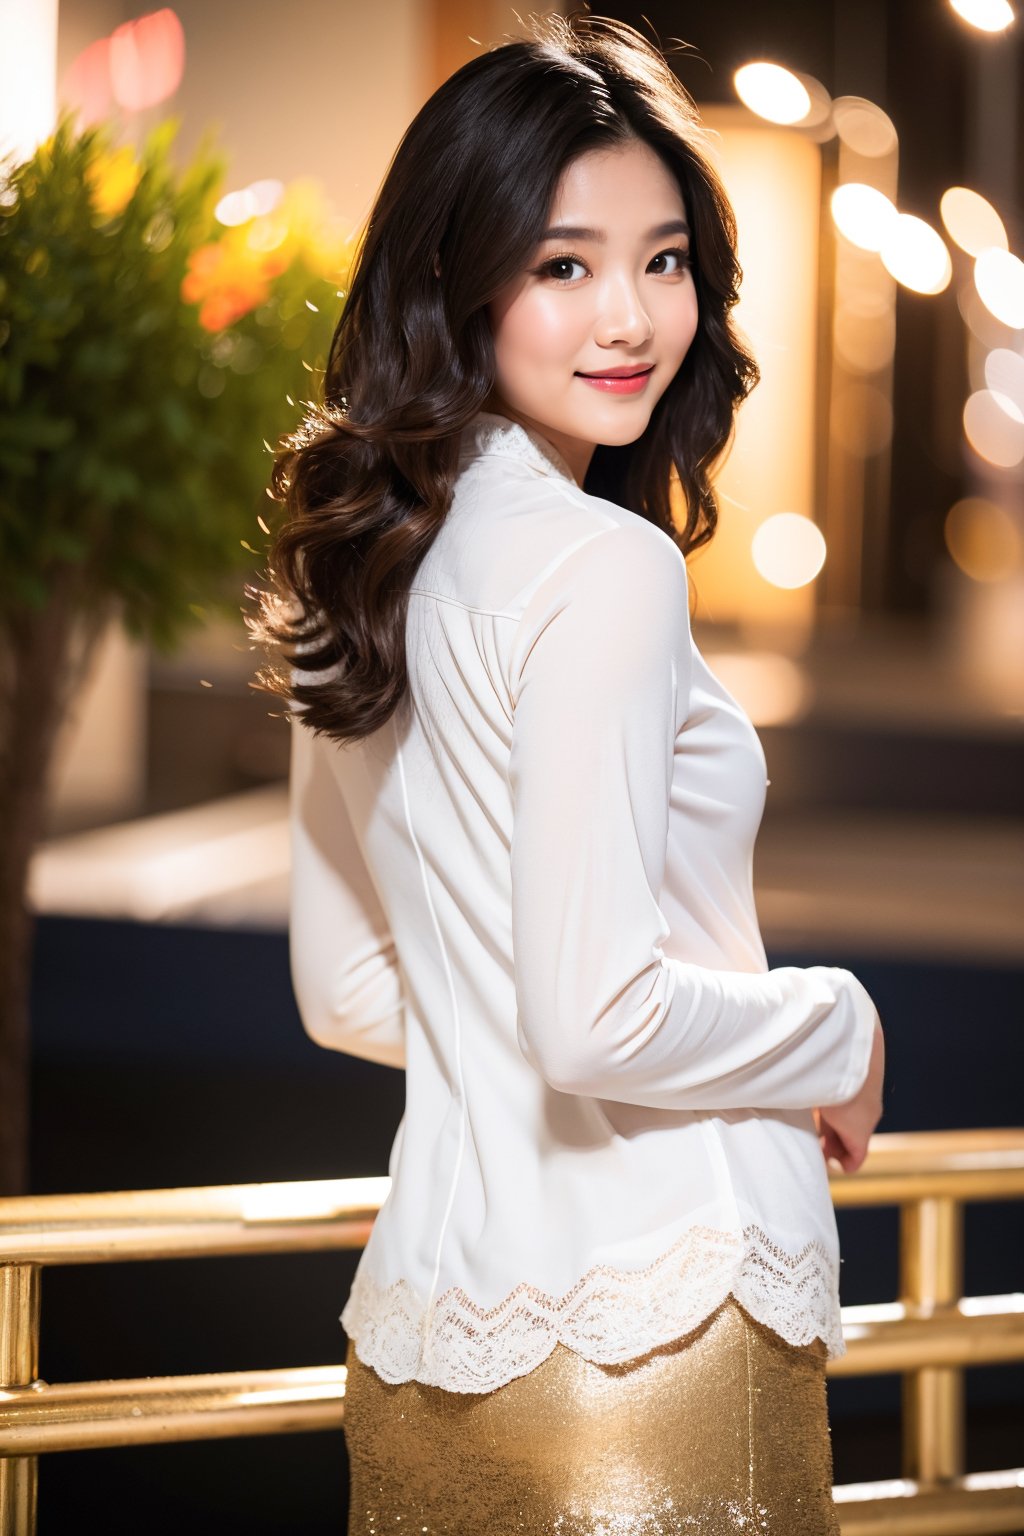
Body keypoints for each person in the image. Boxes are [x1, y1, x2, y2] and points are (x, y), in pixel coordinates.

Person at [253, 11, 886, 1532]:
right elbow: (596, 1015)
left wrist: (505, 1031)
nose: (631, 319)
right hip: (660, 1318)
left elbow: (347, 994)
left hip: (428, 1333)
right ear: (456, 281)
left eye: (664, 260)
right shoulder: (604, 571)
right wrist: (835, 1026)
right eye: (563, 264)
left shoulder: (349, 565)